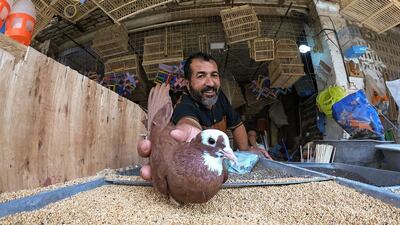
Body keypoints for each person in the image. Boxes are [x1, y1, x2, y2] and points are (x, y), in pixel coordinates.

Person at [138, 52, 262, 180]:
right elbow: (188, 122)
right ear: (187, 83)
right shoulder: (184, 106)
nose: (210, 83)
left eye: (214, 75)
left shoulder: (220, 97)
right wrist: (188, 130)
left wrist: (246, 153)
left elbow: (237, 125)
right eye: (201, 76)